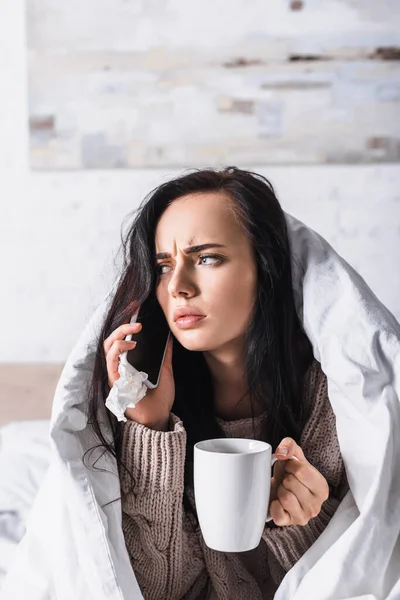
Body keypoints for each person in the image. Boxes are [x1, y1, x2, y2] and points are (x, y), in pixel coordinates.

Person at [87, 167, 350, 600]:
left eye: (206, 258)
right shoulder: (147, 403)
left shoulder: (334, 396)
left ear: (264, 267)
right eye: (163, 265)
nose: (178, 287)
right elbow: (154, 588)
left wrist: (305, 520)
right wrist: (150, 432)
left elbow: (363, 569)